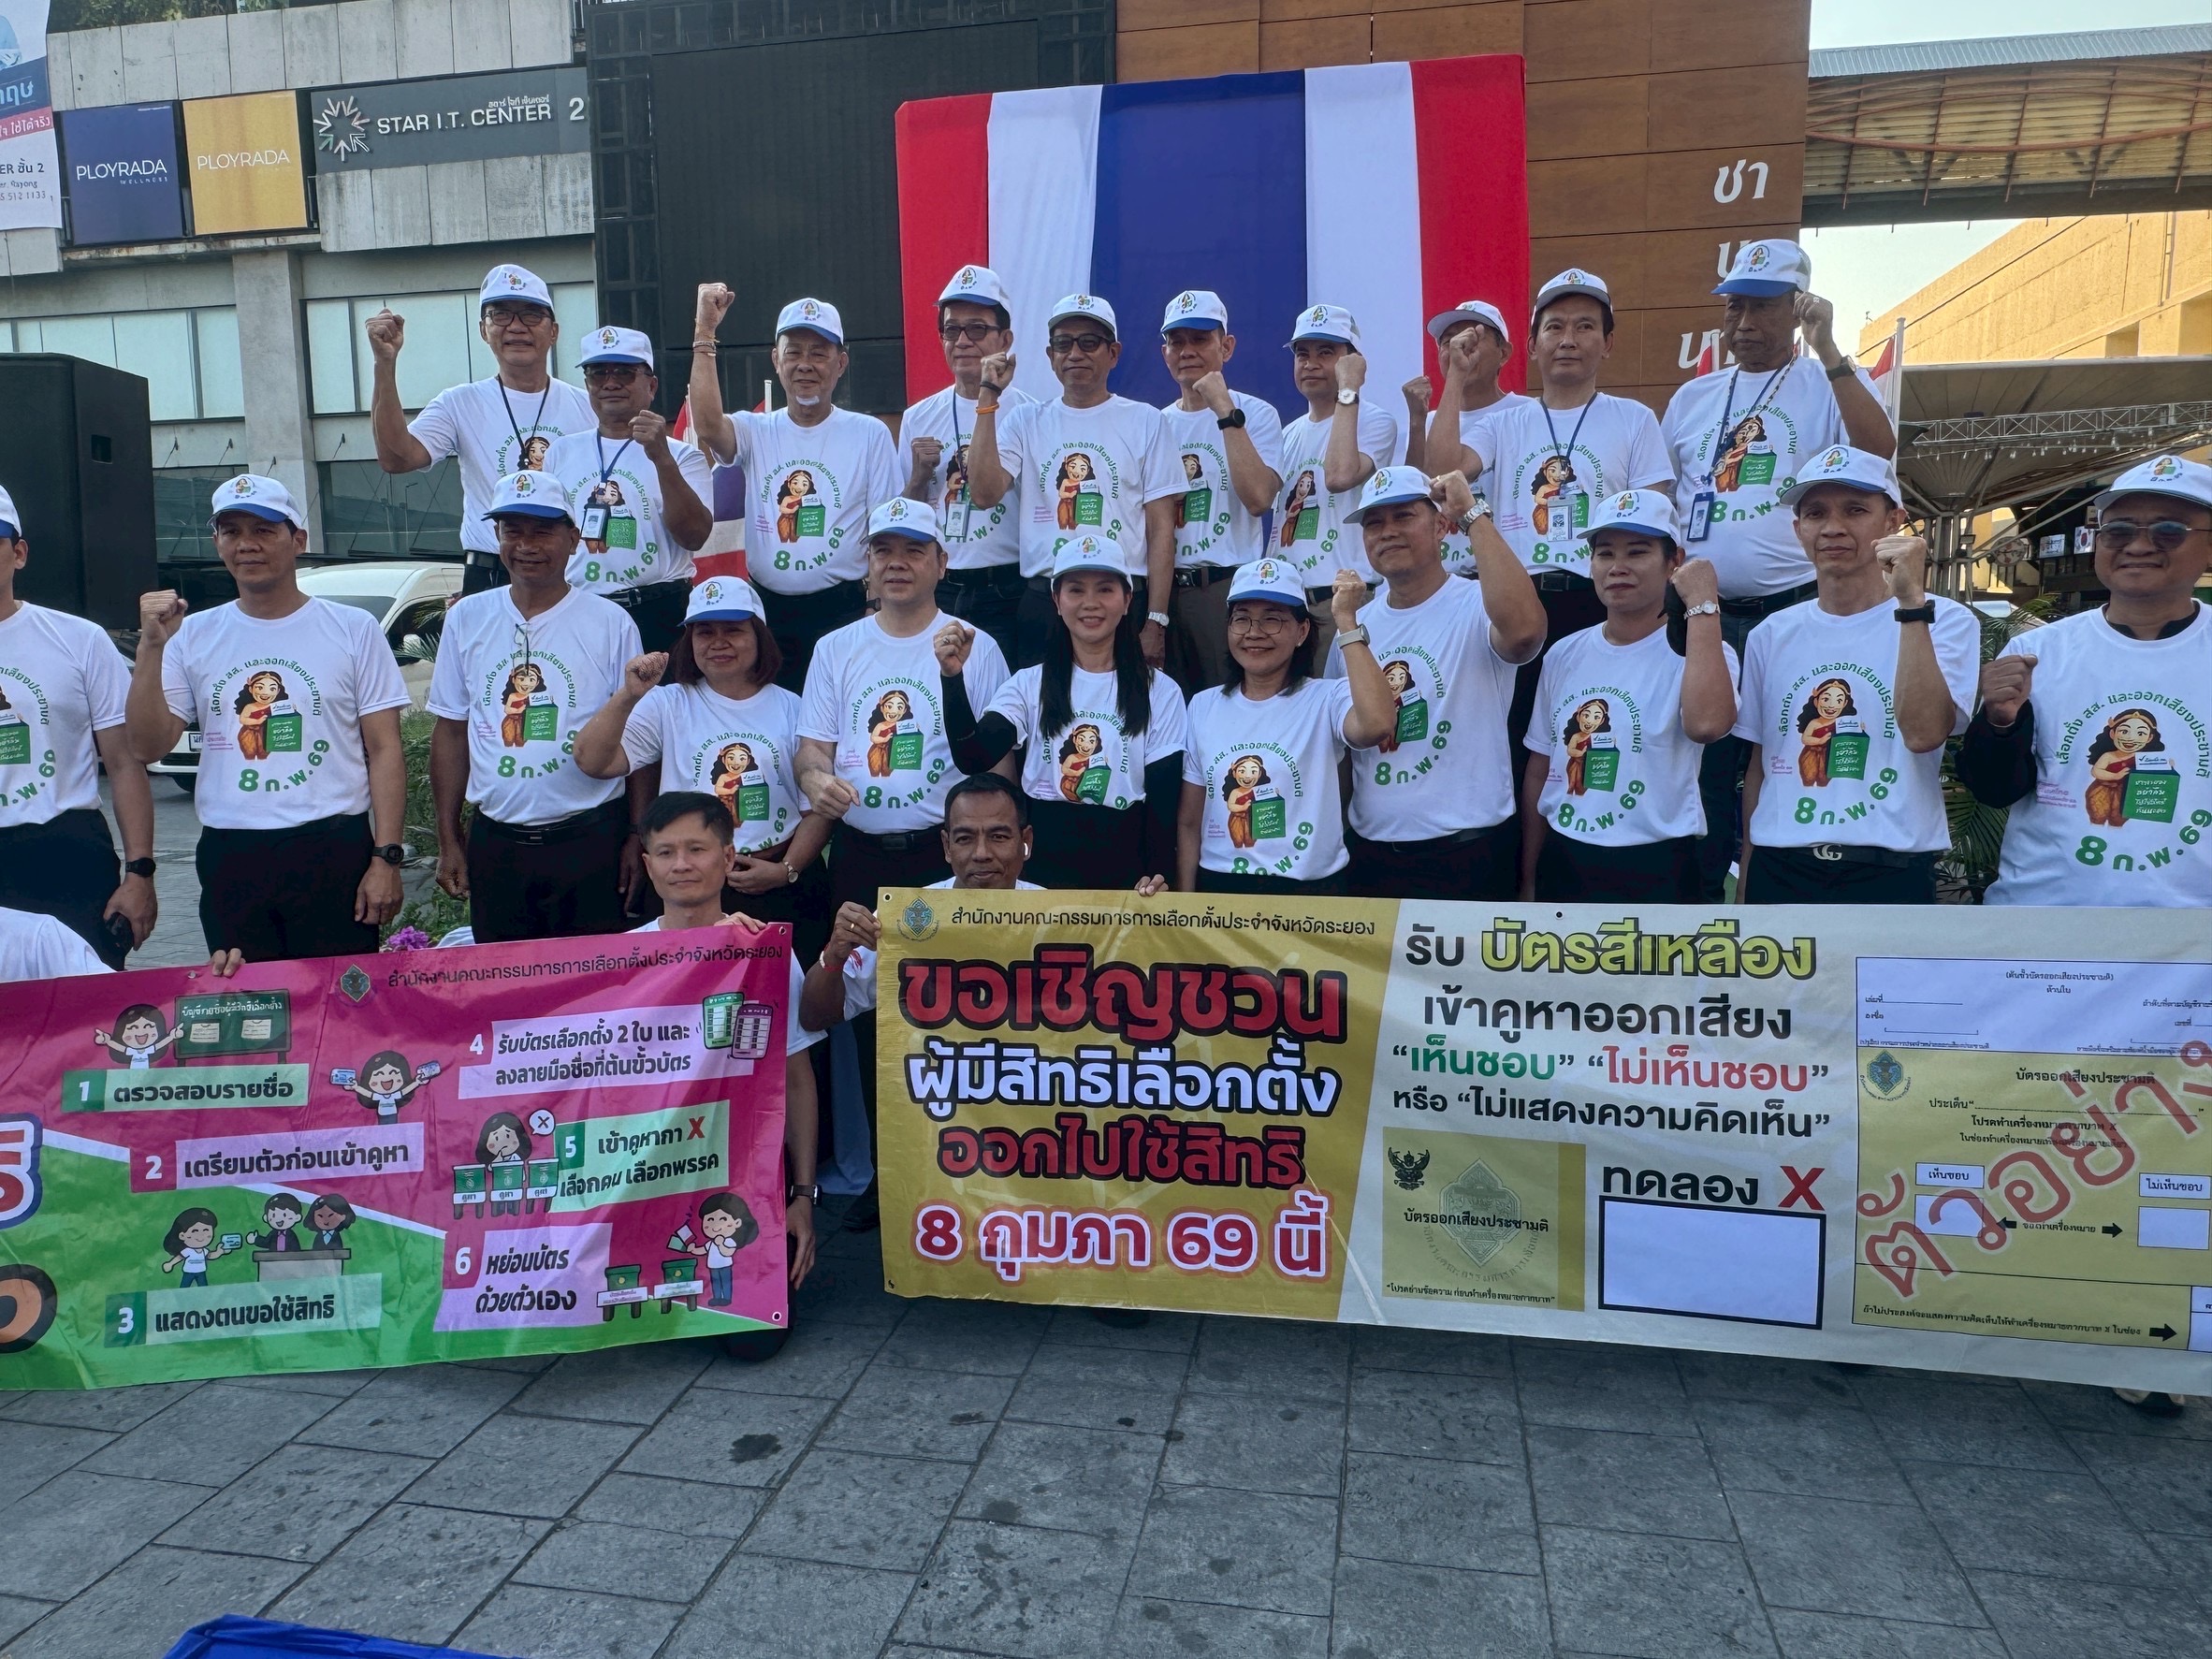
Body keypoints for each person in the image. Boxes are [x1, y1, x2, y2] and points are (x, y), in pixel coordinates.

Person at [1664, 240, 1899, 898]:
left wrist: (1828, 348)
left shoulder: (1828, 382)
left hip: (1791, 609)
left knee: (1785, 754)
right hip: (1703, 615)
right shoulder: (1692, 396)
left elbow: (1878, 449)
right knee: (1700, 765)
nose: (1743, 323)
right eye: (1734, 306)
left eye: (1762, 307)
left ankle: (1766, 895)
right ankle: (1700, 904)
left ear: (1797, 309)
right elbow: (1669, 496)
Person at [126, 476, 409, 962]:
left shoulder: (352, 628)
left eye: (263, 530)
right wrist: (151, 647)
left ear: (298, 540)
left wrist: (386, 856)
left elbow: (384, 749)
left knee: (339, 997)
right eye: (232, 532)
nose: (247, 545)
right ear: (217, 542)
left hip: (332, 846)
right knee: (248, 999)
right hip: (232, 852)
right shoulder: (193, 634)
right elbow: (147, 746)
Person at [1959, 454, 2212, 908]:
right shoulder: (2036, 652)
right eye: (2119, 531)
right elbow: (1994, 790)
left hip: (2193, 923)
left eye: (2168, 531)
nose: (2139, 546)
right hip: (2049, 914)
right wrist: (1999, 725)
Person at [1734, 446, 1978, 904]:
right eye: (1815, 514)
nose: (1833, 527)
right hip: (1781, 866)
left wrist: (1911, 605)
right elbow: (1761, 766)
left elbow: (1925, 733)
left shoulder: (1944, 620)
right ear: (1798, 529)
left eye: (1855, 510)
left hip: (1890, 869)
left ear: (1894, 521)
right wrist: (1747, 873)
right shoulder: (1772, 633)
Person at [1450, 270, 1674, 761]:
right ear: (1533, 345)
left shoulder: (1634, 418)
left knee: (1589, 739)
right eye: (1554, 327)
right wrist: (1455, 378)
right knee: (1513, 745)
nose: (1568, 340)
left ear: (1608, 343)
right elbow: (1446, 469)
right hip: (1519, 605)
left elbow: (1653, 520)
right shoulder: (1504, 423)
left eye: (1585, 326)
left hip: (1600, 604)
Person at [427, 472, 645, 942]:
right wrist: (449, 838)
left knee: (592, 979)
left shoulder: (611, 622)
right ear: (497, 536)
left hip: (590, 840)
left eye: (542, 531)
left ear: (573, 538)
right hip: (497, 844)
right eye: (513, 531)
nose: (526, 545)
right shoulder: (467, 617)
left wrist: (636, 834)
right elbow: (451, 730)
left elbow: (638, 736)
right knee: (504, 981)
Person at [627, 789, 822, 1303]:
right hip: (644, 1175)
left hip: (740, 1183)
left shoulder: (762, 955)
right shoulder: (620, 963)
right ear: (647, 866)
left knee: (752, 1334)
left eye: (697, 849)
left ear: (729, 857)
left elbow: (797, 1082)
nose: (681, 865)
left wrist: (803, 1197)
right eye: (666, 852)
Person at [572, 575, 832, 958]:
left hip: (777, 882)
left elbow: (817, 810)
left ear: (760, 637)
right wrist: (628, 695)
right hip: (692, 889)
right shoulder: (666, 704)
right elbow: (593, 761)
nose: (718, 642)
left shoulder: (794, 707)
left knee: (788, 990)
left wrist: (786, 870)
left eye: (733, 630)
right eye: (704, 632)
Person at [1328, 468, 1547, 901]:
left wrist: (1472, 514)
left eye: (1403, 516)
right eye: (1374, 523)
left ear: (1442, 526)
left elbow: (1525, 633)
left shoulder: (1478, 604)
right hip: (1373, 855)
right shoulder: (1352, 625)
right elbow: (1344, 749)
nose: (1387, 532)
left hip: (1469, 854)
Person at [1520, 490, 1737, 900]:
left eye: (1637, 552)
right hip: (1565, 860)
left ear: (1674, 561)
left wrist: (1703, 605)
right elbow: (1540, 767)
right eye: (1605, 554)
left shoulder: (1705, 650)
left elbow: (1708, 725)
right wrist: (1529, 879)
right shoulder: (1564, 653)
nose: (1618, 567)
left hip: (1658, 865)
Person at [939, 532, 1186, 889]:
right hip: (1042, 872)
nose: (1090, 603)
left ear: (1127, 599)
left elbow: (1163, 803)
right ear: (1056, 600)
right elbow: (972, 755)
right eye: (1076, 590)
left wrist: (1158, 878)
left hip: (1127, 872)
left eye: (1105, 589)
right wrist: (952, 677)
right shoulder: (1028, 685)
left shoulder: (1161, 691)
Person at [799, 498, 1011, 912]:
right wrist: (814, 779)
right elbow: (814, 748)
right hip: (858, 853)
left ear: (942, 563)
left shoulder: (978, 647)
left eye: (914, 551)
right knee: (857, 956)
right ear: (868, 563)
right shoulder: (833, 648)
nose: (897, 563)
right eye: (883, 551)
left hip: (944, 855)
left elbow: (1000, 769)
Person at [689, 289, 902, 688]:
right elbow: (708, 426)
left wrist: (876, 606)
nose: (806, 364)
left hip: (844, 609)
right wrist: (705, 333)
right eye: (794, 353)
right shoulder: (755, 429)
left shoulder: (869, 434)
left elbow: (884, 531)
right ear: (776, 360)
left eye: (819, 353)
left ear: (841, 363)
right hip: (769, 615)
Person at [963, 294, 1183, 669]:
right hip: (1046, 599)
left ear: (1113, 353)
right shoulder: (1025, 420)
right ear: (1051, 356)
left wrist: (1156, 620)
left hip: (1122, 597)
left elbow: (1161, 529)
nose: (1075, 353)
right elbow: (984, 494)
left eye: (1089, 342)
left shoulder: (1147, 421)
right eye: (1064, 344)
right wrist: (988, 396)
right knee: (1042, 704)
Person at [0, 484, 157, 967]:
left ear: (19, 553)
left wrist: (140, 873)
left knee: (82, 1005)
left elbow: (124, 762)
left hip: (63, 855)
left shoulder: (78, 639)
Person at [368, 264, 594, 596]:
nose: (516, 326)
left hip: (572, 575)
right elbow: (397, 458)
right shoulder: (459, 403)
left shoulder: (588, 406)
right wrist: (384, 364)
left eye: (531, 315)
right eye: (500, 315)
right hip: (490, 576)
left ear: (554, 331)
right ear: (483, 330)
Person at [1178, 558, 1392, 894]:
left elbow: (1377, 724)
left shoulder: (1327, 698)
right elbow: (1190, 822)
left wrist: (1346, 622)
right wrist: (1185, 905)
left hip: (1308, 892)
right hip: (1221, 891)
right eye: (1242, 619)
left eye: (1272, 620)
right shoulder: (1203, 706)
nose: (1254, 632)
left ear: (1302, 632)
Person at [798, 772, 1042, 1038]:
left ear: (1026, 841)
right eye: (965, 838)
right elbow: (814, 1016)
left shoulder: (1058, 919)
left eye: (999, 836)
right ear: (947, 846)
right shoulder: (907, 916)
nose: (981, 853)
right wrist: (834, 955)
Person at [539, 326, 711, 653]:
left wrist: (662, 459)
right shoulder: (561, 452)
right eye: (598, 373)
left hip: (659, 610)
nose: (610, 383)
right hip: (581, 609)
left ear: (651, 385)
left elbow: (694, 537)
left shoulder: (683, 455)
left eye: (624, 372)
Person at [901, 266, 1034, 664]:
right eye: (951, 329)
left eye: (976, 329)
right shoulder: (918, 416)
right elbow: (907, 516)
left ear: (1005, 339)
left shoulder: (1030, 414)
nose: (962, 341)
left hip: (1007, 587)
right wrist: (919, 478)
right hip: (940, 587)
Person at [1156, 291, 1285, 691]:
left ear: (1226, 347)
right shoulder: (1156, 423)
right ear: (1164, 353)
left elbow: (1259, 499)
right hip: (1164, 592)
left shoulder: (1256, 413)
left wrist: (1224, 411)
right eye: (1177, 342)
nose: (1187, 351)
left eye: (1200, 339)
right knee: (1168, 709)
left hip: (1226, 588)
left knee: (1232, 701)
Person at [1273, 305, 1401, 664]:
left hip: (1340, 603)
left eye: (1325, 352)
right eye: (1302, 354)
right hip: (1287, 604)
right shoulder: (1287, 434)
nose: (1311, 364)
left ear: (1352, 361)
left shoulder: (1376, 421)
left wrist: (1349, 387)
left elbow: (1339, 476)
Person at [1408, 300, 1531, 577]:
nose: (1458, 347)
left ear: (1504, 353)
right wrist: (1417, 424)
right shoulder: (1427, 421)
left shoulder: (1527, 413)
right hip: (1444, 577)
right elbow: (1421, 492)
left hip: (1508, 572)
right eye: (1448, 341)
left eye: (1472, 338)